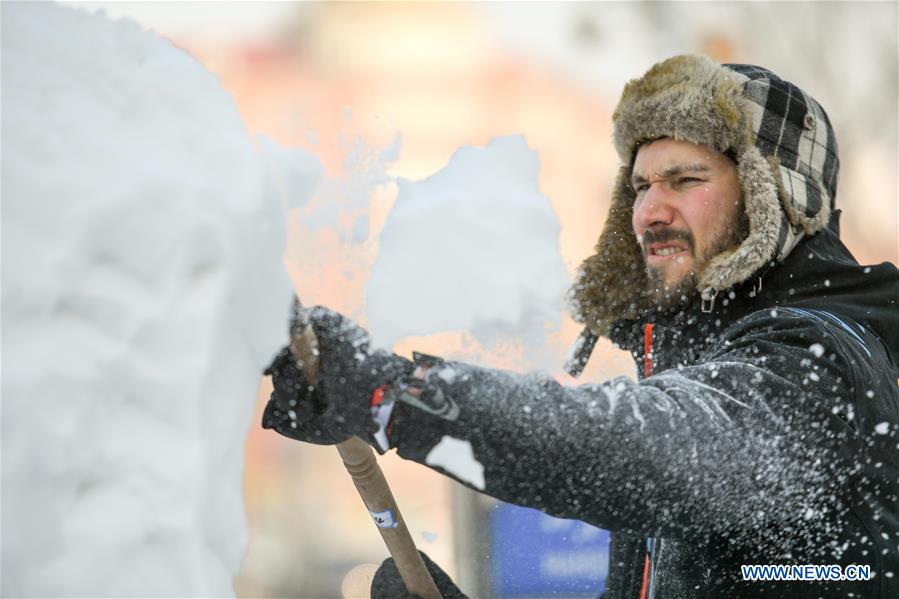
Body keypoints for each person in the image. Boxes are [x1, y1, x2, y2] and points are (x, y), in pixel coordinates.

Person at [263, 54, 898, 598]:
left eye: (686, 180)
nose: (648, 211)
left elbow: (641, 448)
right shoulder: (689, 367)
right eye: (642, 184)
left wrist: (392, 394)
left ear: (777, 198)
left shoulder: (820, 364)